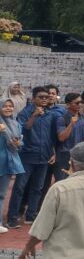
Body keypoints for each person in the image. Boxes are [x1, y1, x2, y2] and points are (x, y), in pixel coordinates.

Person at [18, 142, 84, 259]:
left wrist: (28, 246)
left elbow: (43, 227)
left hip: (62, 254)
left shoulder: (59, 189)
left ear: (71, 162)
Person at [7, 86, 65, 228]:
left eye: (46, 97)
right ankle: (12, 218)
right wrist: (34, 115)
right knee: (20, 187)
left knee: (38, 188)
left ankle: (31, 216)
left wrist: (53, 152)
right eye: (41, 97)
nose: (45, 99)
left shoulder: (50, 114)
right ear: (33, 99)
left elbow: (52, 136)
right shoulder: (25, 112)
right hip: (27, 156)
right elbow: (22, 129)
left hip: (44, 157)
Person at [0, 99, 24, 233]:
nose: (8, 108)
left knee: (2, 194)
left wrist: (17, 142)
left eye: (10, 106)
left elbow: (19, 143)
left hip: (8, 161)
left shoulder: (16, 124)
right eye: (5, 106)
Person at [55, 93, 84, 181]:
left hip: (79, 154)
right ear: (68, 104)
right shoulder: (62, 118)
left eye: (81, 102)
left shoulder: (83, 117)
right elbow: (61, 137)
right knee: (62, 181)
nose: (80, 104)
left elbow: (83, 135)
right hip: (65, 155)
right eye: (76, 103)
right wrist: (71, 124)